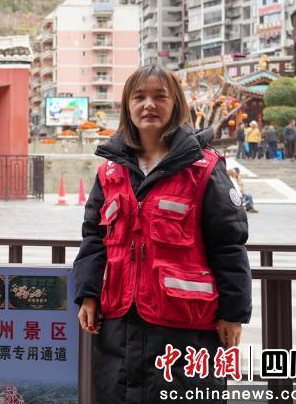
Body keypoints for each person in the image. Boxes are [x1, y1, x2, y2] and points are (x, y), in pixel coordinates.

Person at [73, 65, 251, 403]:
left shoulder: (203, 169)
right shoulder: (110, 172)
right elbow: (94, 238)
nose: (148, 105)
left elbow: (229, 244)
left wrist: (233, 313)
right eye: (139, 97)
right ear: (127, 106)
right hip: (119, 327)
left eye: (159, 96)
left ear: (176, 104)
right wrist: (88, 294)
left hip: (185, 330)